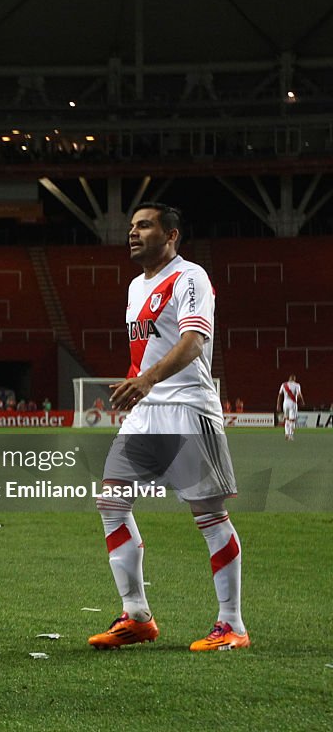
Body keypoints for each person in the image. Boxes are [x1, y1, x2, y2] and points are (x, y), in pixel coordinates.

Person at [88, 202, 249, 653]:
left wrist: (146, 380)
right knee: (111, 501)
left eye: (144, 225)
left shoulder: (190, 276)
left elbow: (194, 342)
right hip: (146, 412)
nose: (133, 233)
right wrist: (142, 386)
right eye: (131, 227)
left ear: (172, 234)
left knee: (210, 518)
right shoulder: (136, 286)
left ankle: (231, 623)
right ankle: (136, 615)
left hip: (188, 409)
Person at [276, 375, 304, 441]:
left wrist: (278, 405)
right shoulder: (297, 385)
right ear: (294, 379)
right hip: (293, 403)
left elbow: (280, 395)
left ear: (289, 379)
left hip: (285, 403)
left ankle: (286, 434)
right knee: (292, 420)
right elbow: (299, 395)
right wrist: (302, 401)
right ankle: (291, 435)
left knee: (287, 419)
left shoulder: (283, 385)